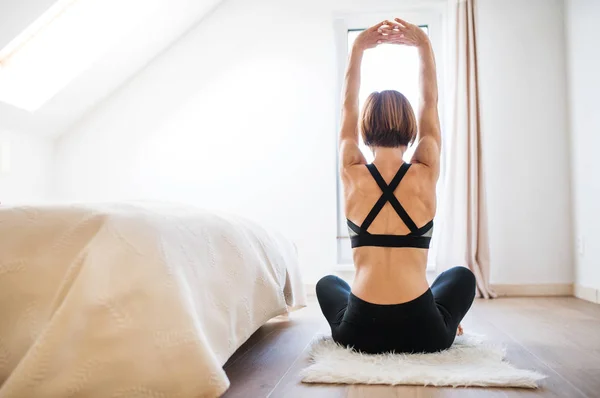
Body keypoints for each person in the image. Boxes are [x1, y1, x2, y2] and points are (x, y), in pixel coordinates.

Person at [316, 18, 476, 354]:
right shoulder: (425, 169)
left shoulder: (352, 170)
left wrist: (358, 48)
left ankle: (417, 314)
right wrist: (423, 46)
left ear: (364, 128)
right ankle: (445, 319)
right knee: (461, 276)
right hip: (424, 334)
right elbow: (429, 103)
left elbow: (347, 106)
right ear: (411, 127)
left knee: (328, 284)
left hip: (359, 333)